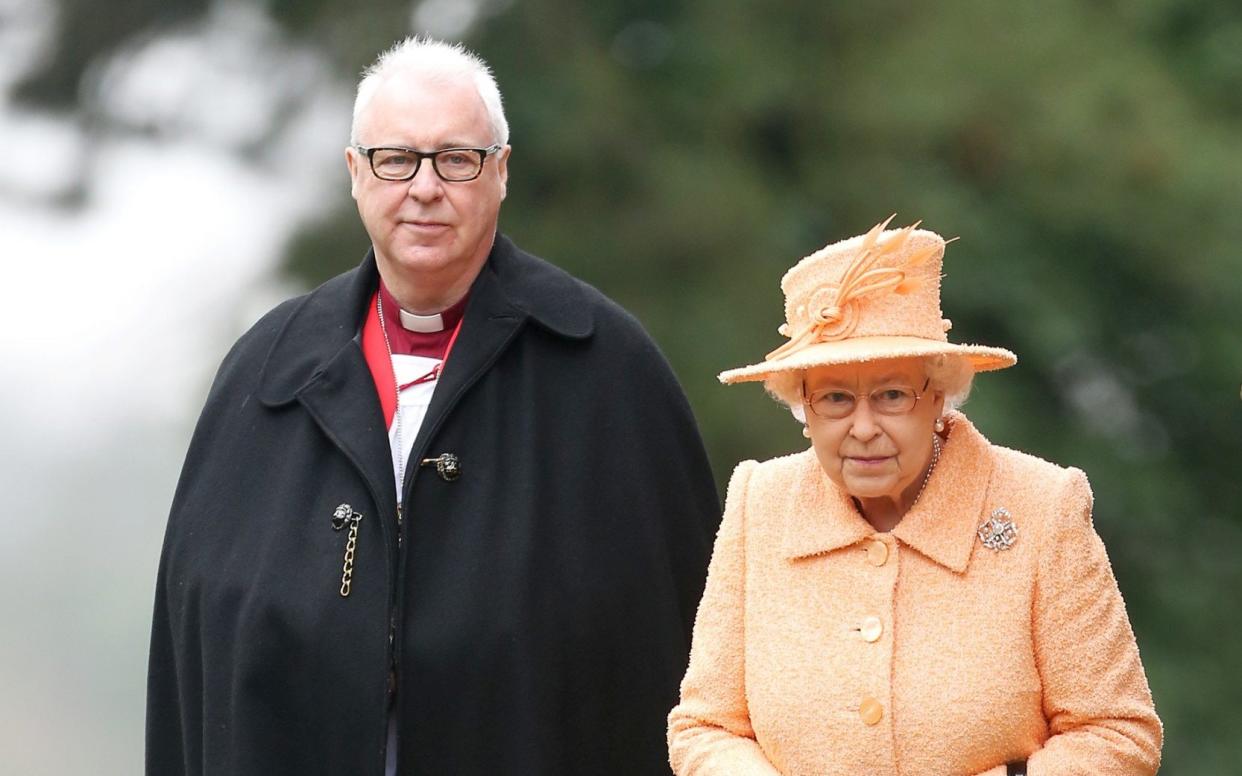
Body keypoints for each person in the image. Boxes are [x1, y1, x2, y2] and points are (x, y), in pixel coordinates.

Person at [146, 37, 720, 776]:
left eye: (456, 158)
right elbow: (198, 642)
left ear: (501, 172)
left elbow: (681, 646)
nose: (424, 187)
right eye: (395, 158)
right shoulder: (267, 371)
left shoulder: (607, 366)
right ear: (356, 173)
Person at [667, 217, 1162, 775]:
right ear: (802, 409)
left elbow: (1118, 733)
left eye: (892, 395)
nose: (863, 427)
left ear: (939, 396)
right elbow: (705, 728)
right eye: (833, 399)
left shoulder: (1043, 505)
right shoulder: (759, 503)